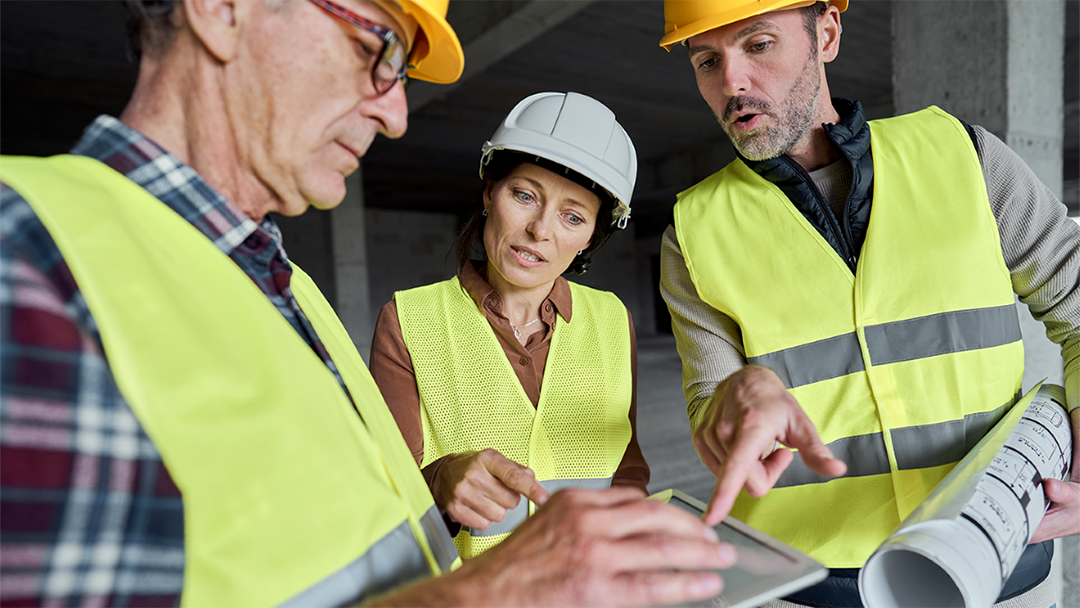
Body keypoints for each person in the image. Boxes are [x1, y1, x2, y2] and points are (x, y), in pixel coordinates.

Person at [0, 0, 738, 606]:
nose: (398, 115)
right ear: (221, 9)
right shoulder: (27, 252)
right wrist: (493, 590)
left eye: (574, 217)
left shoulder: (290, 290)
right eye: (377, 47)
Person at [656, 1, 1080, 607]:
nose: (732, 83)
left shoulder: (966, 158)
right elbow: (710, 400)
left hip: (996, 562)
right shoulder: (693, 230)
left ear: (826, 33)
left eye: (758, 45)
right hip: (811, 584)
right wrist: (733, 403)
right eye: (705, 60)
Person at [370, 91, 649, 559]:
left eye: (572, 216)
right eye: (525, 196)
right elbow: (386, 496)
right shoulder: (408, 320)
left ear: (589, 238)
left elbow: (626, 468)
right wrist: (441, 480)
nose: (540, 230)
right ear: (488, 192)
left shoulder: (612, 320)